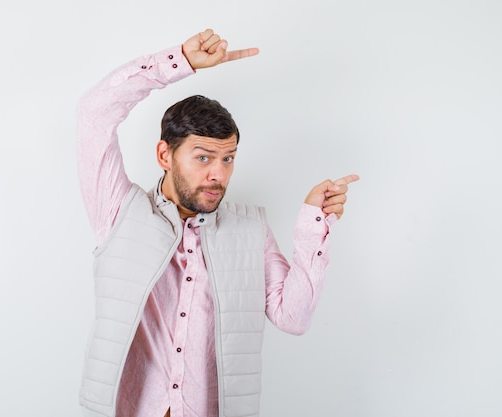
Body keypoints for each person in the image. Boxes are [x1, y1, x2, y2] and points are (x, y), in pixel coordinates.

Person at [77, 28, 358, 417]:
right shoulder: (118, 211)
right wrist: (180, 62)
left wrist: (314, 225)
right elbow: (94, 113)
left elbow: (292, 317)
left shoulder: (250, 229)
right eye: (204, 157)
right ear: (165, 154)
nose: (218, 175)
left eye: (228, 158)